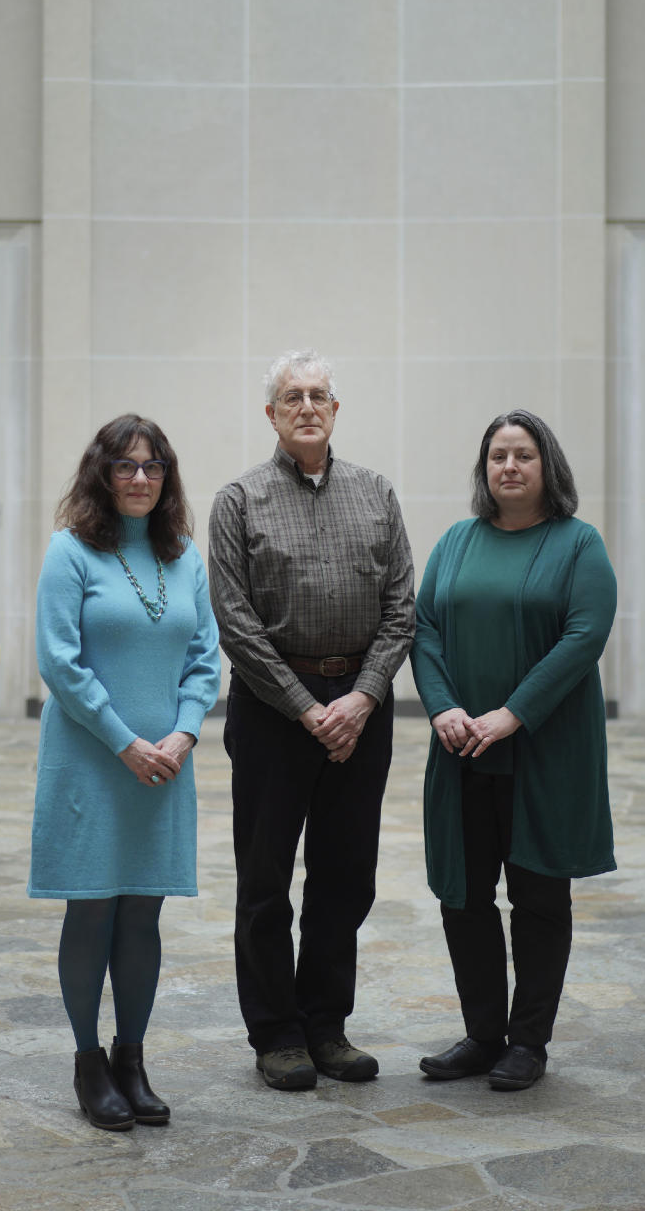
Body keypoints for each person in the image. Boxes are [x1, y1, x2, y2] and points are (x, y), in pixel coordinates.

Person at [208, 350, 415, 1091]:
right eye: (291, 396)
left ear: (335, 410)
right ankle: (276, 1034)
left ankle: (326, 1025)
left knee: (345, 874)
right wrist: (304, 708)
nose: (306, 406)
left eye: (319, 395)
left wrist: (360, 699)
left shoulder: (377, 494)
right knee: (265, 880)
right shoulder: (239, 500)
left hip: (361, 705)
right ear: (271, 414)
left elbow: (401, 612)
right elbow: (235, 623)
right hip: (273, 710)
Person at [411, 409, 617, 1093]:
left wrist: (512, 714)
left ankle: (528, 1041)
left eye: (522, 455)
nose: (508, 467)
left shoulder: (578, 544)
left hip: (542, 750)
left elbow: (583, 638)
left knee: (537, 896)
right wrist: (443, 707)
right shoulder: (457, 542)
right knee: (463, 896)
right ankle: (482, 1034)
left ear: (546, 466)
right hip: (462, 748)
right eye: (497, 455)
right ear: (484, 469)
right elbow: (425, 629)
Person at [28, 414, 220, 1131]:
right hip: (92, 761)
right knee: (93, 907)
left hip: (165, 765)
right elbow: (59, 660)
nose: (140, 479)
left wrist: (182, 733)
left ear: (167, 478)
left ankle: (131, 1060)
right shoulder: (70, 551)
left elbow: (206, 657)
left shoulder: (184, 556)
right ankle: (88, 1066)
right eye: (125, 467)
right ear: (101, 475)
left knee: (143, 910)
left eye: (153, 467)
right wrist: (125, 741)